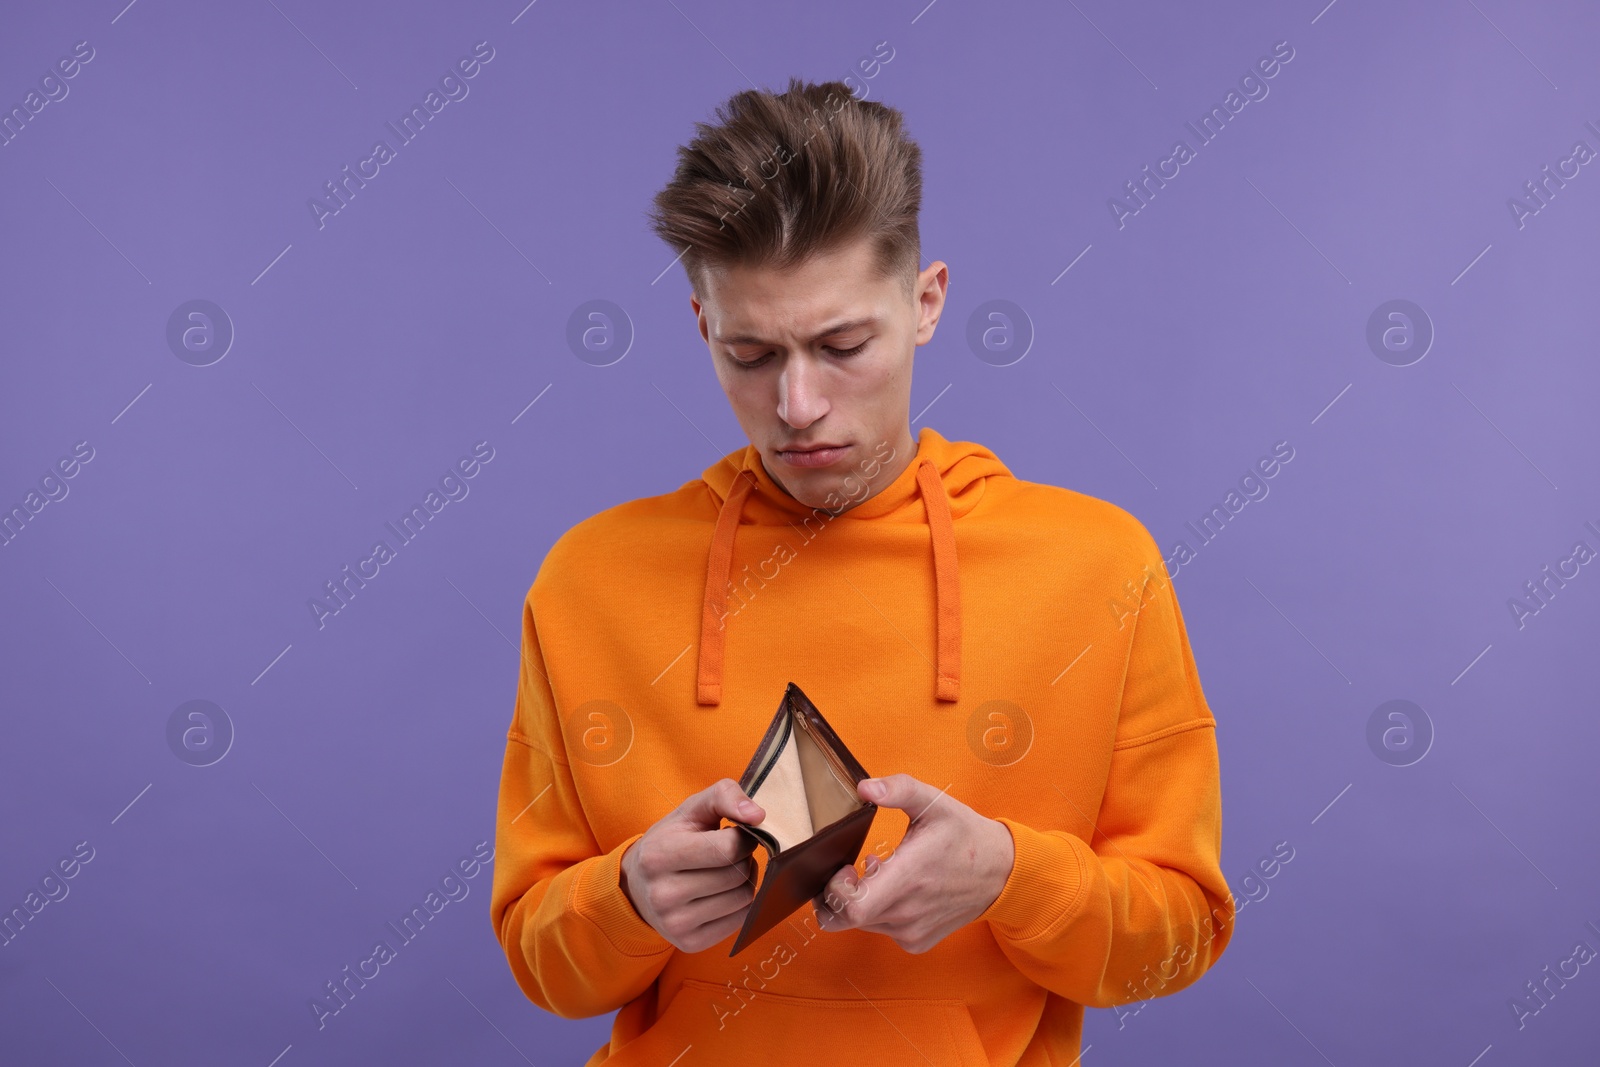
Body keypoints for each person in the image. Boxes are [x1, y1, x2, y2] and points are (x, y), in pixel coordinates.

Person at [490, 76, 1235, 1066]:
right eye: (751, 352)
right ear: (701, 327)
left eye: (842, 345)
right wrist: (626, 897)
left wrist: (1014, 877)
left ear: (925, 303)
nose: (797, 403)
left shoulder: (1101, 565)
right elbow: (545, 968)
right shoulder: (590, 579)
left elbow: (1177, 937)